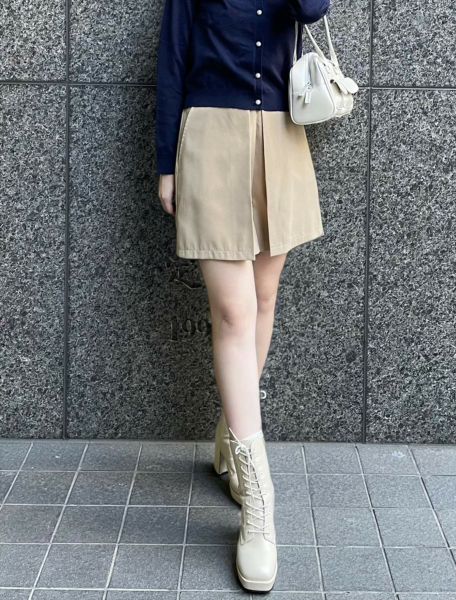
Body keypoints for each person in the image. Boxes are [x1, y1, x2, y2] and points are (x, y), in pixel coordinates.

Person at [155, 0, 330, 591]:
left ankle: (231, 438)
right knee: (233, 312)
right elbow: (173, 58)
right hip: (210, 136)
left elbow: (314, 9)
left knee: (264, 297)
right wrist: (166, 162)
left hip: (280, 134)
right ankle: (258, 503)